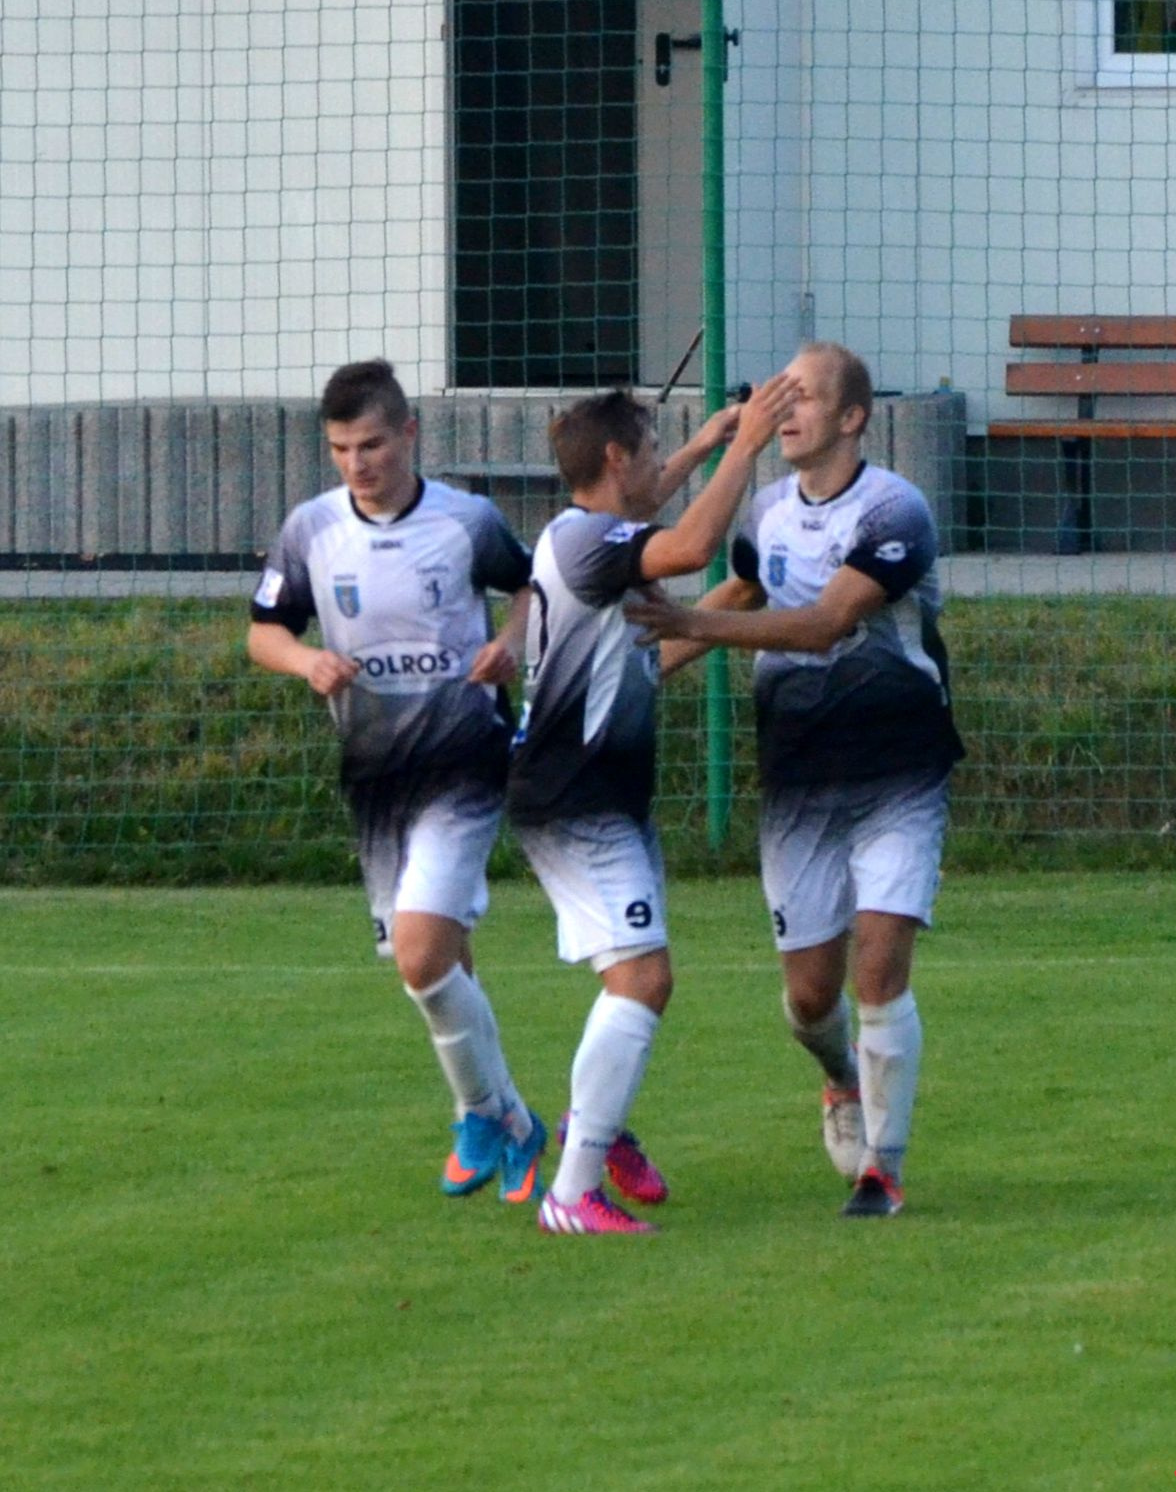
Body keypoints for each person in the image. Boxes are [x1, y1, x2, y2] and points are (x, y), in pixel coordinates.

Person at [627, 342, 964, 1218]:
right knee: (811, 998)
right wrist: (637, 673)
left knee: (879, 965)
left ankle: (883, 1170)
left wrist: (686, 619)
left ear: (852, 417)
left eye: (803, 396)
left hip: (898, 768)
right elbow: (744, 594)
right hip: (800, 778)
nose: (783, 410)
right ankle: (839, 1075)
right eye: (777, 395)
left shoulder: (896, 509)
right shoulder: (767, 511)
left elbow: (822, 625)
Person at [247, 359, 547, 1206]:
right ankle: (504, 1118)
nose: (358, 463)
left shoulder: (466, 521)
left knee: (421, 955)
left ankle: (487, 1114)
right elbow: (263, 631)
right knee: (439, 958)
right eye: (341, 448)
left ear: (409, 433)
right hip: (376, 773)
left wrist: (511, 643)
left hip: (464, 758)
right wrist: (307, 661)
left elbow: (533, 587)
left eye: (372, 444)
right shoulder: (311, 528)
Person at [507, 374, 800, 1235]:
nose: (658, 463)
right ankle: (571, 1194)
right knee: (643, 978)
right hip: (576, 802)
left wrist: (707, 444)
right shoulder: (590, 544)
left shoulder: (588, 539)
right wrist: (749, 443)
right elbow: (691, 544)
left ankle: (597, 1126)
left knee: (631, 978)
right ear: (614, 459)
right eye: (650, 450)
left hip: (598, 796)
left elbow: (655, 538)